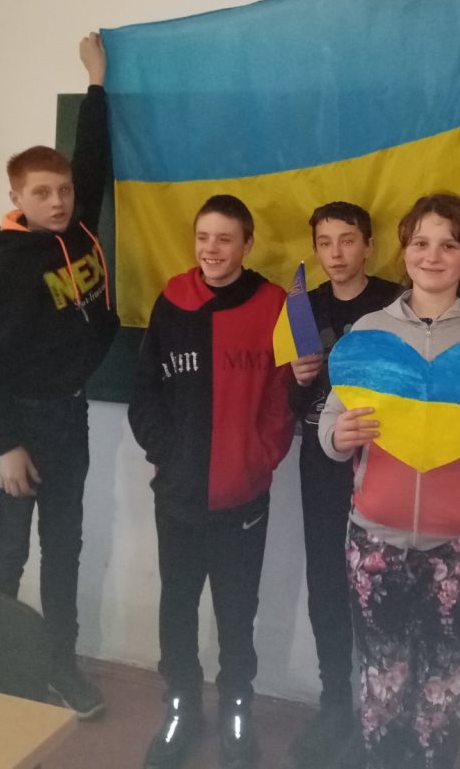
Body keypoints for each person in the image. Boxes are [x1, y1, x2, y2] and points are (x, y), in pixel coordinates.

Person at [319, 193, 460, 769]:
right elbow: (332, 427)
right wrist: (339, 436)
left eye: (449, 244)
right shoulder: (368, 333)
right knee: (381, 678)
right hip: (375, 537)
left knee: (446, 685)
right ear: (404, 250)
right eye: (420, 243)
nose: (432, 256)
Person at [0, 33, 118, 718]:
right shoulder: (11, 269)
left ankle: (61, 665)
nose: (57, 201)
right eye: (41, 193)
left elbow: (92, 158)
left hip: (69, 415)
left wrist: (96, 81)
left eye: (63, 191)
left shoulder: (76, 225)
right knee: (7, 551)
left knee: (65, 548)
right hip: (21, 425)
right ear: (16, 198)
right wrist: (6, 445)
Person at [129, 194, 294, 769]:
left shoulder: (276, 304)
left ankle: (236, 710)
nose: (212, 249)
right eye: (203, 237)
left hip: (243, 499)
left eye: (225, 238)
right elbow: (145, 391)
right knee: (176, 609)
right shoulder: (172, 300)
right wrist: (167, 453)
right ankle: (180, 707)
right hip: (177, 496)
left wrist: (260, 457)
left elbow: (284, 396)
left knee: (236, 613)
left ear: (248, 245)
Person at [285, 202, 399, 769]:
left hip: (385, 464)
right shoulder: (301, 307)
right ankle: (335, 703)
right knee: (327, 583)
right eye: (325, 242)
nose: (336, 253)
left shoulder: (397, 303)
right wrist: (296, 377)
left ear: (369, 246)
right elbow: (291, 404)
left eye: (348, 240)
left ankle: (382, 710)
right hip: (321, 466)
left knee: (381, 589)